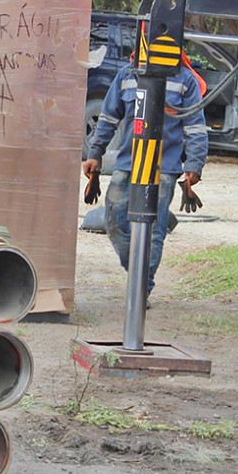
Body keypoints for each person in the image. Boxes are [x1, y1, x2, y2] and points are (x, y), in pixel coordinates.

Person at [83, 58, 208, 296]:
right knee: (115, 221)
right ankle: (137, 273)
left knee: (154, 231)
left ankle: (141, 289)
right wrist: (95, 153)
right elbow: (108, 118)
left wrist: (194, 164)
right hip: (128, 162)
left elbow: (195, 127)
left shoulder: (185, 80)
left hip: (164, 167)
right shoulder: (127, 75)